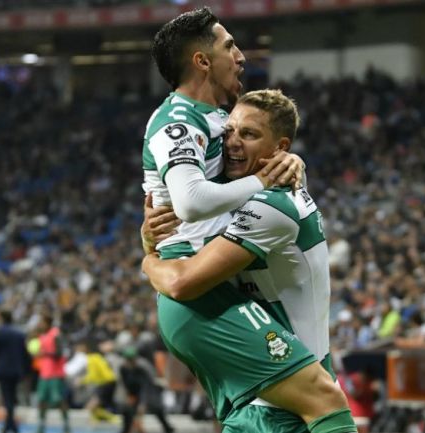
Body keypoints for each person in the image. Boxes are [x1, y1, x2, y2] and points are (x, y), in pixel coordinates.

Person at [143, 89, 355, 432]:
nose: (232, 143)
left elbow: (182, 281)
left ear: (280, 148)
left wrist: (148, 261)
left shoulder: (272, 206)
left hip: (296, 397)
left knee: (327, 400)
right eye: (229, 131)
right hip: (263, 390)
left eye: (250, 134)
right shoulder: (242, 195)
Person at [0, 310, 31, 433]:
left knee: (7, 397)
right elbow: (25, 354)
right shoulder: (20, 334)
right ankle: (10, 424)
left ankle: (10, 425)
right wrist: (26, 370)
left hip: (3, 369)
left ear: (1, 318)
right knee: (11, 396)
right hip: (16, 370)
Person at [118, 346, 175, 433]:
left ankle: (167, 427)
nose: (130, 362)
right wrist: (129, 396)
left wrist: (143, 404)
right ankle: (125, 430)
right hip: (134, 392)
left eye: (132, 360)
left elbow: (146, 387)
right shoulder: (123, 369)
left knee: (156, 408)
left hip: (149, 391)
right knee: (127, 410)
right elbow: (125, 384)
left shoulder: (142, 368)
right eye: (128, 360)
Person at [35, 315, 71, 433]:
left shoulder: (56, 335)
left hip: (56, 373)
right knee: (41, 400)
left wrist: (45, 353)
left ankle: (66, 423)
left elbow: (60, 353)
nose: (40, 324)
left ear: (48, 322)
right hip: (44, 373)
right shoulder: (41, 336)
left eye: (42, 322)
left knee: (59, 400)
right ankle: (41, 423)